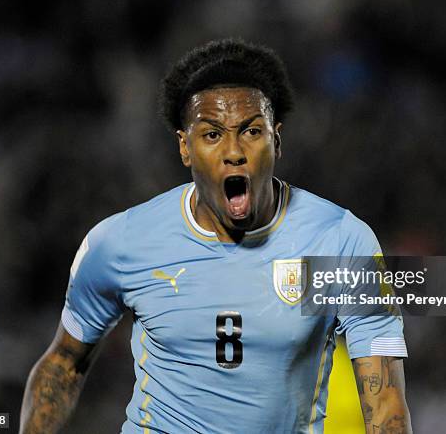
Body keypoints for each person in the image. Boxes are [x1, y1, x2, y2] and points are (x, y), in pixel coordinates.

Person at [20, 39, 411, 434]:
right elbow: (64, 363)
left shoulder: (340, 242)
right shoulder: (121, 242)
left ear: (276, 140)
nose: (234, 152)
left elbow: (385, 399)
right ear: (184, 147)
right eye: (211, 135)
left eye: (251, 131)